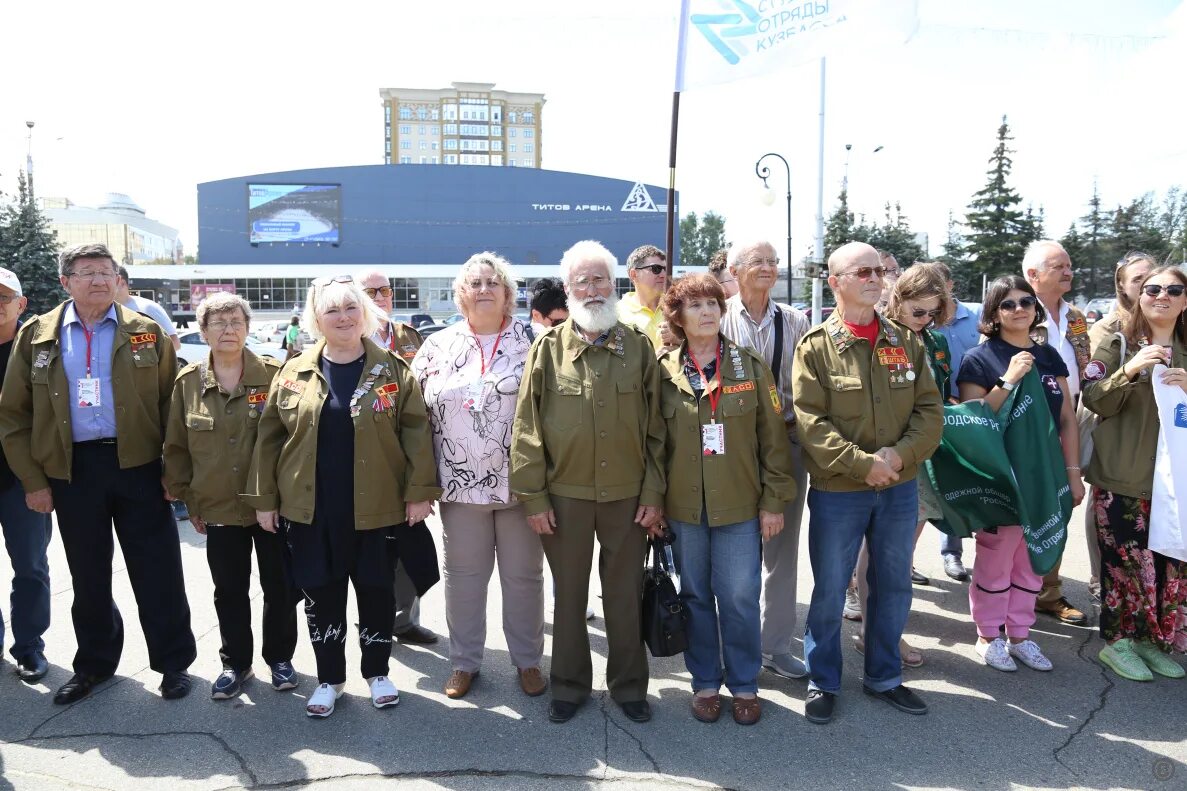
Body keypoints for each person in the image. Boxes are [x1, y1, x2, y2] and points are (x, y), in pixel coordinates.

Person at [0, 243, 196, 704]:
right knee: (88, 574)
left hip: (140, 465)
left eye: (106, 272)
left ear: (117, 279)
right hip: (73, 469)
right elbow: (13, 416)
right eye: (86, 272)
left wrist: (175, 472)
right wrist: (33, 480)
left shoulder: (146, 332)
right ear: (65, 282)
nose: (99, 280)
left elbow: (174, 406)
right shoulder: (37, 336)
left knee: (159, 569)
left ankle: (173, 664)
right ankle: (94, 664)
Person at [247, 276, 441, 718]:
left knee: (376, 592)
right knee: (321, 595)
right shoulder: (294, 371)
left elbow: (416, 434)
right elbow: (269, 439)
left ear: (365, 313)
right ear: (317, 318)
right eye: (332, 310)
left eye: (351, 307)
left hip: (377, 508)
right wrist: (265, 500)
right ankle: (330, 679)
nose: (343, 317)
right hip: (312, 510)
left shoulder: (393, 370)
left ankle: (377, 673)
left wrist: (418, 495)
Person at [511, 239, 665, 725]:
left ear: (615, 285)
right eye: (582, 280)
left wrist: (654, 494)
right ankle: (570, 686)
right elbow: (527, 429)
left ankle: (629, 687)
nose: (593, 288)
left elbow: (658, 430)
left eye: (601, 279)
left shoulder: (638, 348)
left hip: (627, 499)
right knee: (570, 595)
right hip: (566, 498)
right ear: (569, 288)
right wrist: (533, 498)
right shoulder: (547, 350)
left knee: (623, 597)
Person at [792, 241, 942, 724]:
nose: (876, 278)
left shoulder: (905, 339)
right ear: (835, 282)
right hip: (841, 491)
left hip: (898, 485)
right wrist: (863, 465)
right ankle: (824, 680)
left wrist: (898, 456)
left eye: (879, 270)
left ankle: (884, 677)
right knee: (832, 589)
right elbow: (810, 421)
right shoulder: (815, 347)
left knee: (893, 584)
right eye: (863, 271)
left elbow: (929, 410)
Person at [657, 273, 796, 725]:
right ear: (677, 316)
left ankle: (744, 683)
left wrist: (774, 500)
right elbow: (653, 447)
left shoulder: (749, 365)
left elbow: (774, 442)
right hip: (684, 508)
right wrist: (653, 503)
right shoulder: (662, 371)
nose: (708, 311)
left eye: (714, 303)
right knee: (696, 595)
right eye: (695, 305)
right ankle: (703, 681)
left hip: (739, 504)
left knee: (739, 595)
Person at [412, 252, 545, 700]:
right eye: (475, 283)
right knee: (464, 579)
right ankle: (465, 663)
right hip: (459, 487)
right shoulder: (437, 346)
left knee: (523, 578)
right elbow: (413, 417)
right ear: (460, 294)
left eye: (493, 282)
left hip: (522, 487)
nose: (484, 289)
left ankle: (528, 662)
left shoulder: (537, 341)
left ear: (508, 293)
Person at [163, 293, 299, 700]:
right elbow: (177, 447)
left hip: (270, 508)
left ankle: (280, 658)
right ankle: (235, 663)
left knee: (280, 586)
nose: (228, 329)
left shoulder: (276, 375)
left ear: (248, 327)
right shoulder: (188, 383)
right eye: (218, 322)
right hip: (218, 506)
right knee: (229, 591)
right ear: (202, 332)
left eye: (235, 321)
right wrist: (191, 501)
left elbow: (294, 442)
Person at [956, 275, 1084, 673]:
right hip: (1001, 475)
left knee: (1032, 557)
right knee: (998, 555)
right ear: (993, 313)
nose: (1019, 309)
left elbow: (1066, 418)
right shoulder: (979, 359)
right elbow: (974, 420)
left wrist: (1073, 472)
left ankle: (1021, 634)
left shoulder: (1049, 357)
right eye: (1007, 304)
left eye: (1026, 301)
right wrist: (1008, 379)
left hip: (1044, 476)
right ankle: (988, 635)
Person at [848, 263, 957, 668]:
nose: (926, 320)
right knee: (882, 554)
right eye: (918, 312)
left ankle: (879, 631)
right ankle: (874, 633)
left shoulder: (936, 342)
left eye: (934, 312)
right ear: (897, 302)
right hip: (884, 458)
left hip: (922, 455)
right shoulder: (881, 336)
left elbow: (939, 397)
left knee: (898, 556)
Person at [1082, 265, 1187, 680]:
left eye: (1174, 289)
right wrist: (1128, 371)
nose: (1162, 295)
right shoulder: (1119, 343)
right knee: (1123, 563)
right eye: (1152, 288)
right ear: (1139, 296)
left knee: (1166, 563)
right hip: (1124, 476)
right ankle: (1117, 643)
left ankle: (1150, 640)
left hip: (1175, 479)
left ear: (1185, 300)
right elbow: (1094, 399)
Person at [719, 239, 811, 680]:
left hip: (786, 444)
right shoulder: (713, 318)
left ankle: (776, 646)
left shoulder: (795, 321)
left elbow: (809, 386)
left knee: (782, 550)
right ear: (734, 270)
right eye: (758, 261)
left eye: (774, 262)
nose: (768, 268)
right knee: (732, 552)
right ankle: (731, 648)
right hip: (728, 451)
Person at [355, 268, 436, 646]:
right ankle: (372, 621)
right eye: (369, 291)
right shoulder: (348, 336)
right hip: (367, 458)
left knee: (409, 544)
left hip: (410, 452)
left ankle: (403, 621)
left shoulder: (409, 336)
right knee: (370, 548)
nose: (379, 296)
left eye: (384, 289)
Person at [1081, 252, 1156, 601]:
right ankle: (1101, 579)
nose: (1151, 287)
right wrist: (1131, 369)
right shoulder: (1110, 331)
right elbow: (1095, 393)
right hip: (1118, 439)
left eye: (1154, 278)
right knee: (1109, 515)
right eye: (1139, 280)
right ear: (1123, 288)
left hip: (1160, 449)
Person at [1023, 240, 1090, 626]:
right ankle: (1009, 596)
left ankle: (1048, 593)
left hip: (1070, 413)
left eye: (1069, 264)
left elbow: (1088, 366)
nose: (1068, 271)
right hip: (1030, 422)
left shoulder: (1076, 316)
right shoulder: (1016, 310)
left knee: (1060, 504)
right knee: (1019, 515)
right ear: (1033, 275)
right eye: (1058, 265)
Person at [0, 268, 52, 684]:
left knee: (31, 568)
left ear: (21, 304)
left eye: (4, 297)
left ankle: (29, 647)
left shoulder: (39, 352)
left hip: (23, 481)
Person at [930, 261, 982, 582]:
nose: (934, 292)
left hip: (977, 411)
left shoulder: (977, 314)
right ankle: (951, 553)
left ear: (951, 284)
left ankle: (982, 554)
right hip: (938, 412)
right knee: (938, 487)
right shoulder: (923, 321)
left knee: (973, 483)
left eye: (939, 284)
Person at [356, 268, 424, 363]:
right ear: (358, 299)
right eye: (370, 292)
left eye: (384, 290)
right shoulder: (352, 338)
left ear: (391, 294)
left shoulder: (411, 336)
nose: (379, 298)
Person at [616, 244, 668, 349]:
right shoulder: (616, 314)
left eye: (665, 269)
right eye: (656, 269)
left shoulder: (678, 308)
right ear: (634, 274)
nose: (663, 275)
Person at [117, 266, 180, 351]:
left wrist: (139, 351)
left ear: (122, 283)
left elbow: (175, 344)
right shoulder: (103, 311)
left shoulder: (147, 308)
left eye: (107, 279)